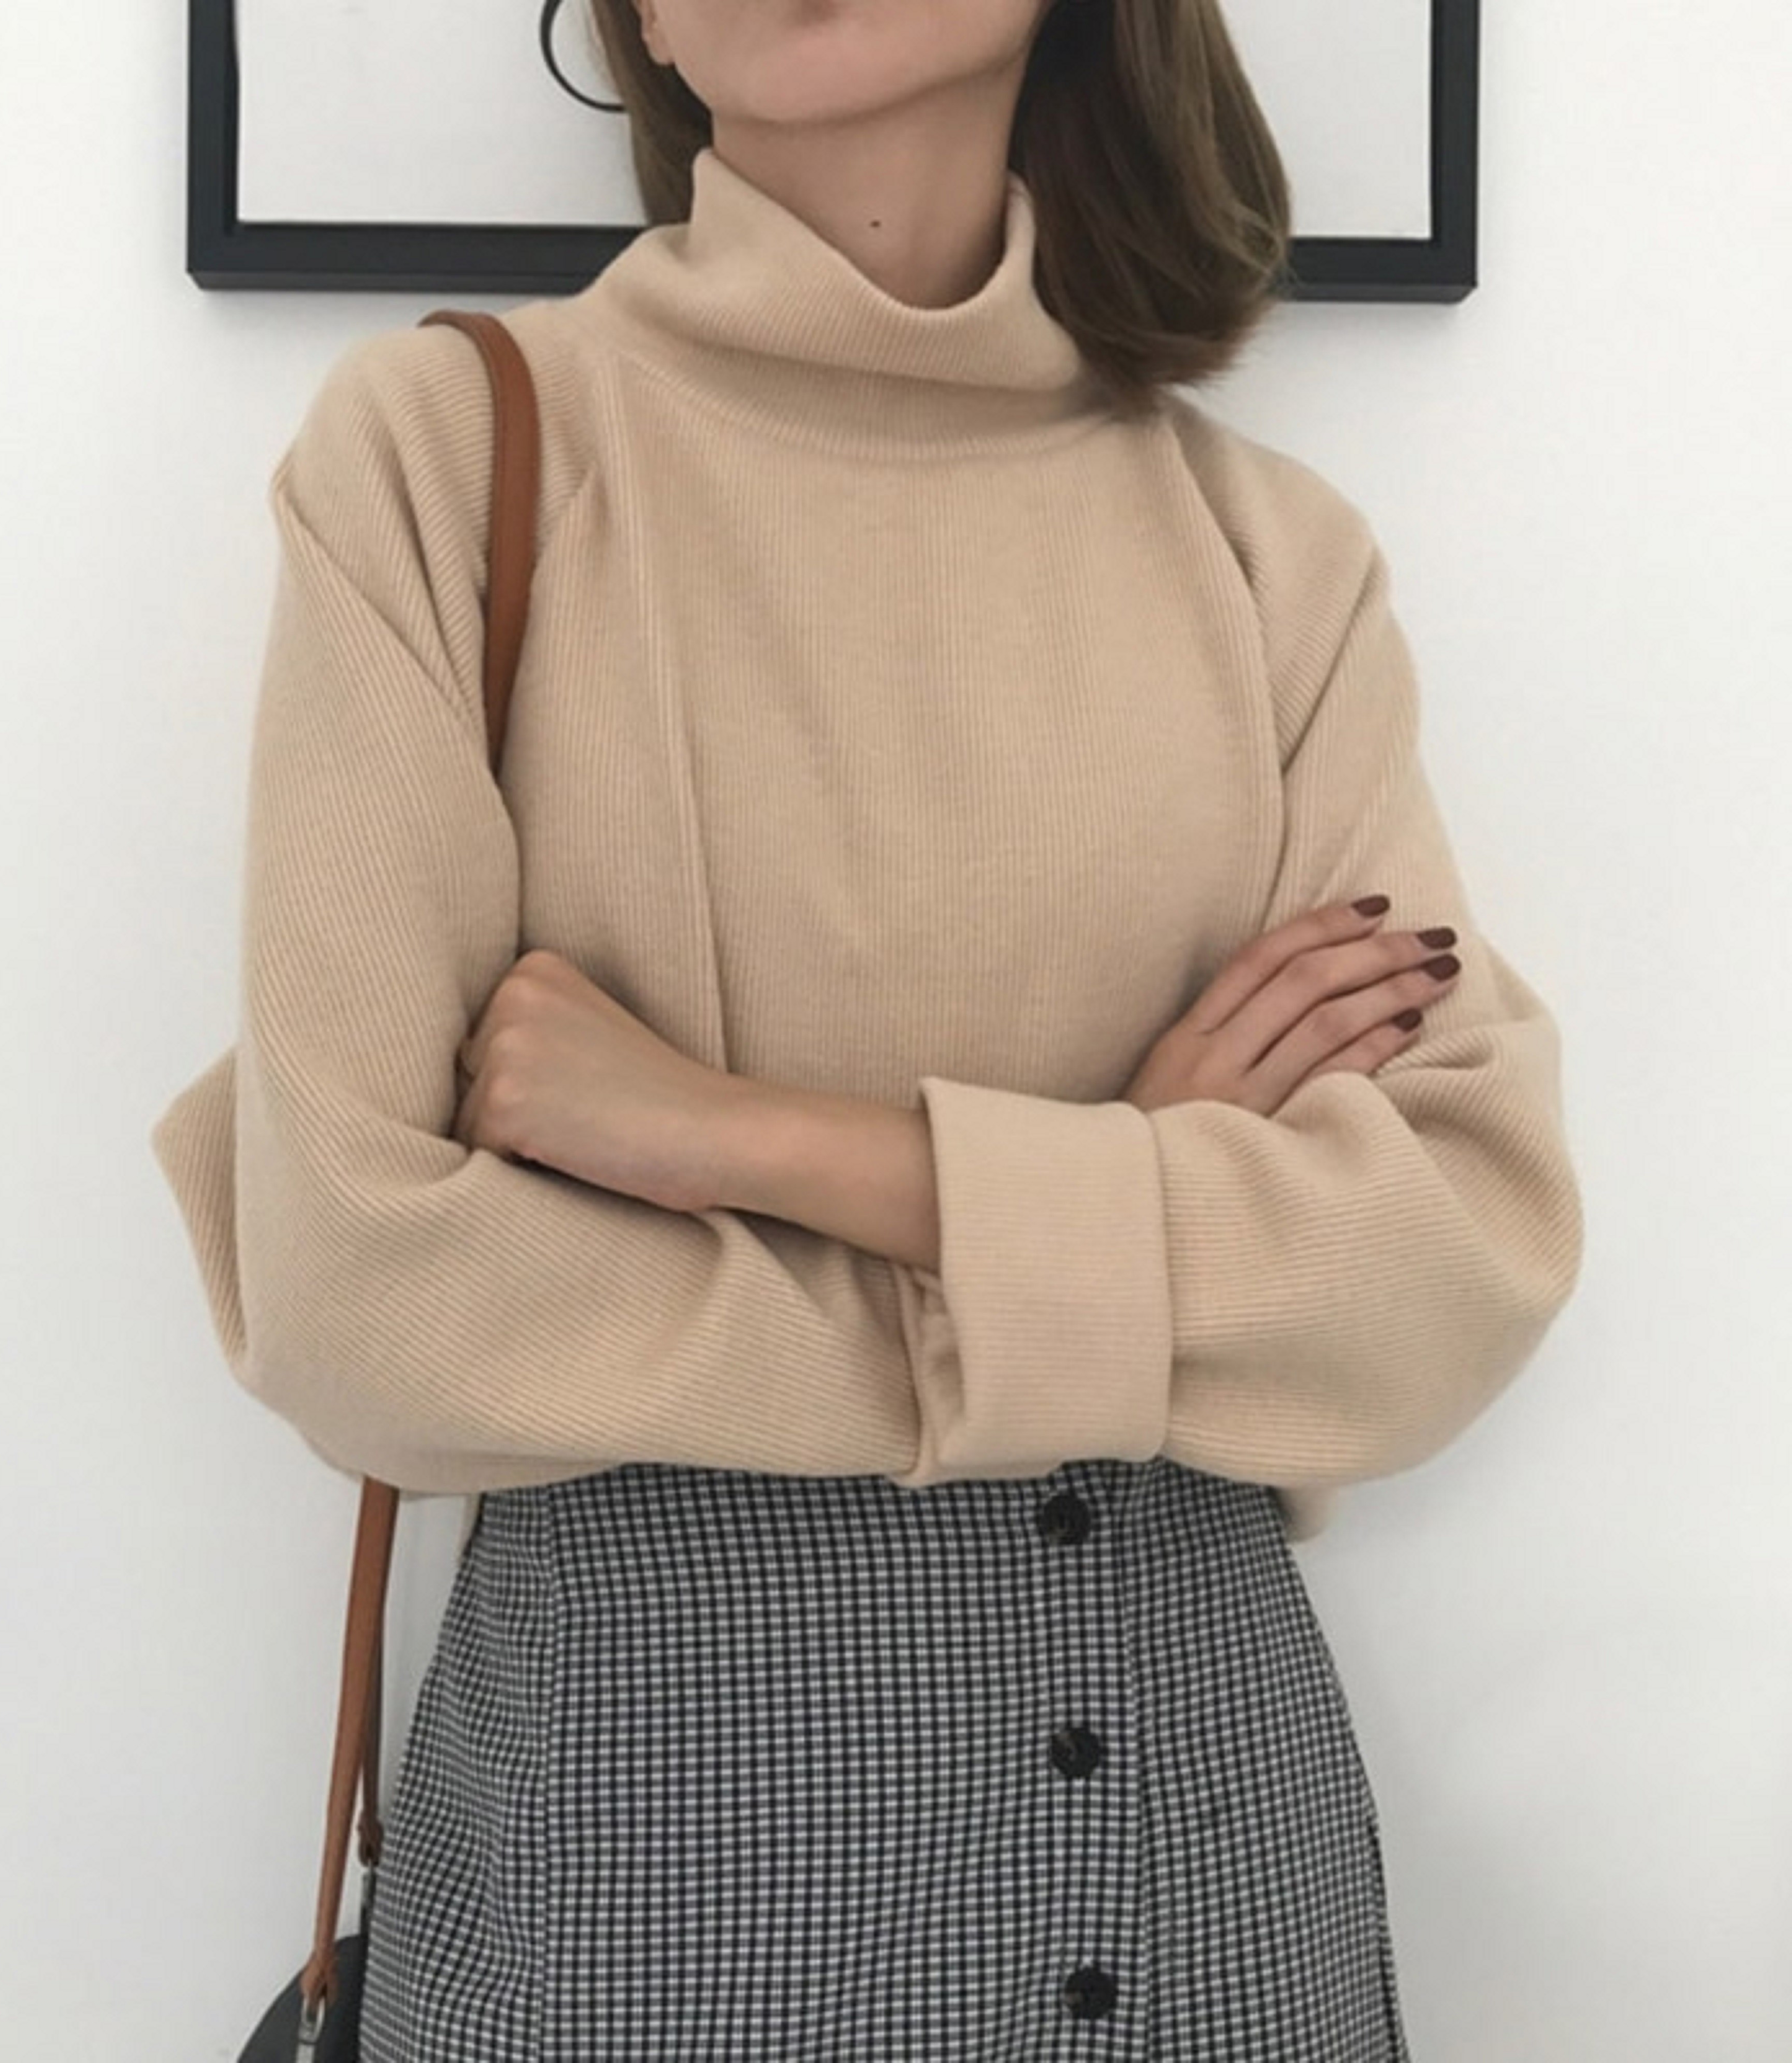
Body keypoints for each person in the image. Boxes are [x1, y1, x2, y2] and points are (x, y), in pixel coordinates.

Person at [151, 1, 1585, 2054]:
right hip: (634, 1904)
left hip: (1213, 1897)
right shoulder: (447, 461)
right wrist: (1117, 1216)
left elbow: (1451, 1267)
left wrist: (747, 1140)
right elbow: (363, 1302)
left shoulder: (1272, 558)